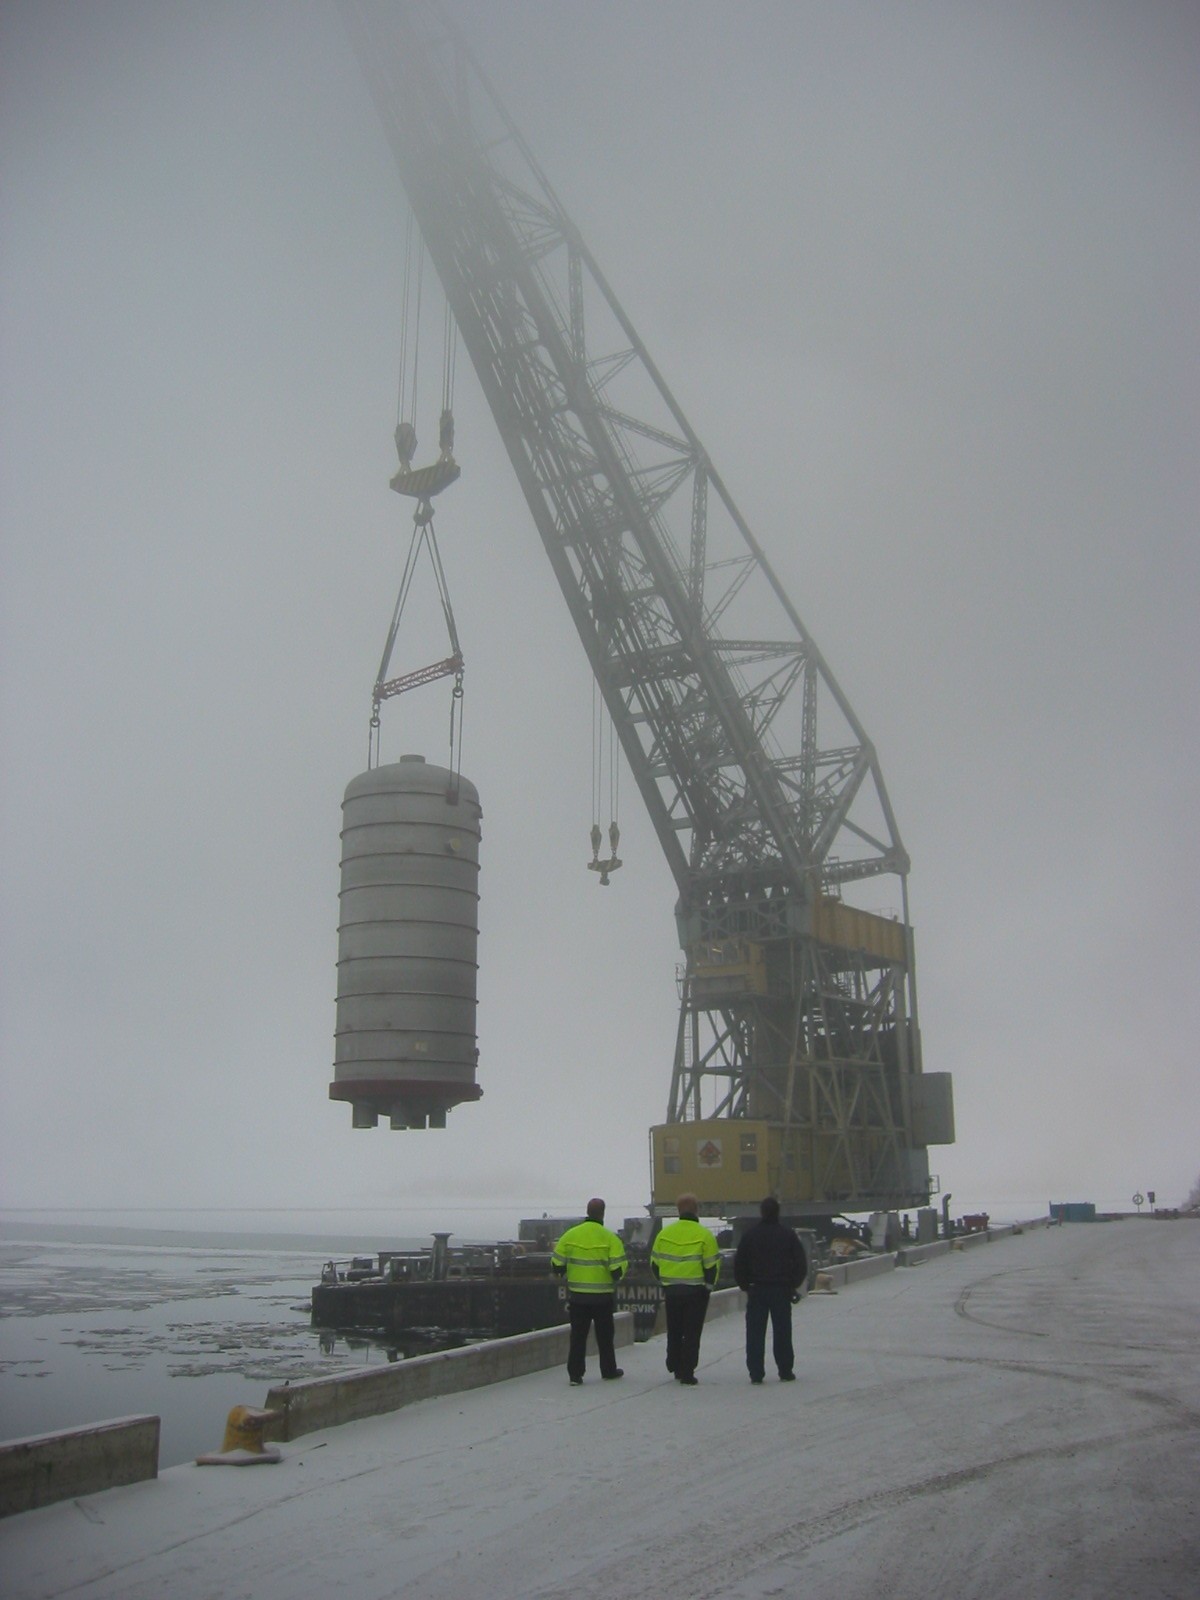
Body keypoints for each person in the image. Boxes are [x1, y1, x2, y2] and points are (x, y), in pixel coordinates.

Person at [551, 1199, 629, 1385]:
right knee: (605, 1336)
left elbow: (557, 1265)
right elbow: (617, 1270)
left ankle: (575, 1375)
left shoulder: (570, 1235)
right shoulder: (610, 1238)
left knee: (578, 1336)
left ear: (587, 1211)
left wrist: (568, 1273)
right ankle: (608, 1370)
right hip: (602, 1297)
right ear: (603, 1213)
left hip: (578, 1296)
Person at [733, 1195, 806, 1384]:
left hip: (757, 1290)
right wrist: (793, 1284)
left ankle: (756, 1373)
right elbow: (801, 1263)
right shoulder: (788, 1235)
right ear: (778, 1212)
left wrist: (745, 1285)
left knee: (755, 1334)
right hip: (781, 1290)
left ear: (762, 1212)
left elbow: (739, 1264)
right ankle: (785, 1370)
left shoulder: (750, 1235)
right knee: (782, 1331)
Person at [650, 1193, 720, 1385]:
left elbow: (654, 1264)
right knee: (691, 1332)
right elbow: (711, 1267)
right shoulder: (704, 1235)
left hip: (672, 1291)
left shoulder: (664, 1234)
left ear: (678, 1210)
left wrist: (664, 1283)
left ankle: (673, 1363)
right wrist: (708, 1288)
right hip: (696, 1292)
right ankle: (687, 1372)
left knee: (674, 1329)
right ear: (696, 1210)